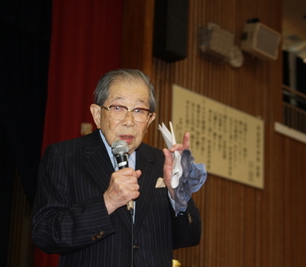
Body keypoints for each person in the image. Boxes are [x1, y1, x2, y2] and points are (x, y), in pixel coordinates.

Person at [32, 69, 202, 266]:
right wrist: (107, 202)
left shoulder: (164, 162)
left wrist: (177, 195)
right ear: (97, 114)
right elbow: (45, 235)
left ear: (149, 120)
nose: (129, 121)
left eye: (139, 111)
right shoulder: (64, 156)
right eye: (118, 108)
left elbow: (189, 238)